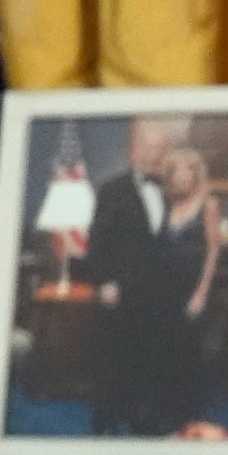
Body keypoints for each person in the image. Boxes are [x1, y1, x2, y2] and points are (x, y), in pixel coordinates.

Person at [86, 117, 189, 434]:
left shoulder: (172, 191)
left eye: (162, 150)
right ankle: (106, 421)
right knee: (115, 359)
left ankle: (147, 419)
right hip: (123, 292)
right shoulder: (112, 190)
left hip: (161, 295)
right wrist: (104, 283)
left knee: (155, 359)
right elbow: (97, 243)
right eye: (149, 148)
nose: (155, 156)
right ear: (136, 151)